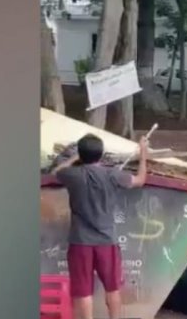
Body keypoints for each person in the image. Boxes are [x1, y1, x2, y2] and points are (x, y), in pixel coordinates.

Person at [50, 133, 150, 319]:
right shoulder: (113, 175)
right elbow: (140, 180)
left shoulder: (73, 175)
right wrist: (143, 153)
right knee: (112, 288)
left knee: (83, 291)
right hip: (106, 241)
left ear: (81, 153)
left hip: (80, 242)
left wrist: (74, 158)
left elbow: (56, 172)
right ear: (101, 154)